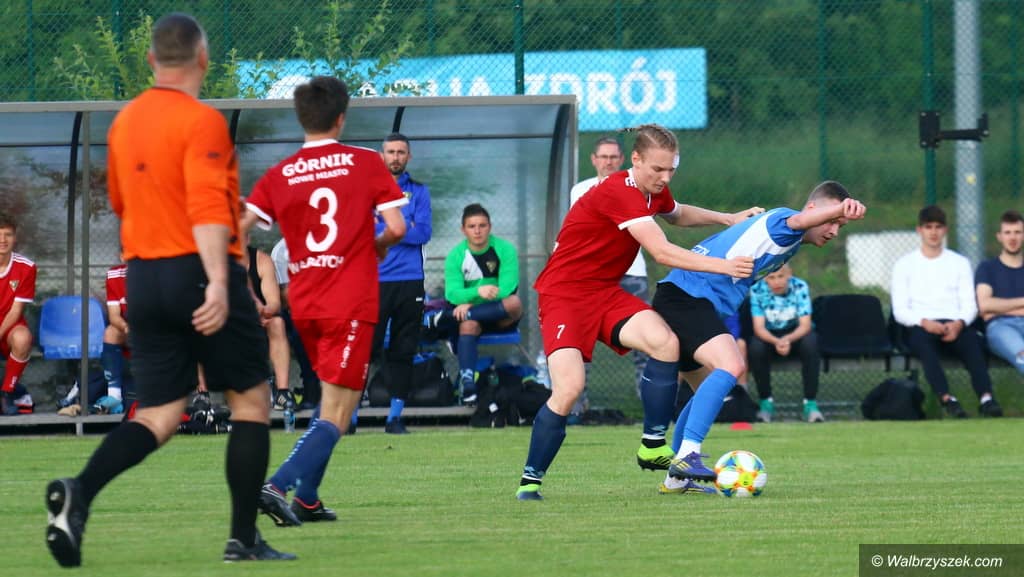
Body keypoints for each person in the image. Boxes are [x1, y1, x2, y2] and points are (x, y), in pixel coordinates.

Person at [44, 13, 294, 567]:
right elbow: (205, 208)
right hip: (198, 269)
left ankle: (80, 491)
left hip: (143, 275)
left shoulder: (125, 123)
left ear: (151, 60)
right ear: (203, 58)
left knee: (159, 413)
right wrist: (220, 282)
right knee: (251, 400)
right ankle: (243, 539)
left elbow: (120, 201)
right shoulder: (201, 121)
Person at [515, 123, 761, 501]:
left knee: (665, 342)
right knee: (569, 389)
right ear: (636, 160)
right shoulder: (620, 191)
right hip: (563, 294)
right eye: (657, 169)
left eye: (671, 170)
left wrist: (728, 218)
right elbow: (661, 252)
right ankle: (530, 483)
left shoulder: (652, 190)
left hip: (604, 292)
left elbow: (677, 213)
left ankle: (652, 444)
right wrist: (724, 266)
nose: (665, 178)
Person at [243, 75, 407, 528]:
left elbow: (237, 228)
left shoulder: (281, 173)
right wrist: (375, 246)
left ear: (301, 118)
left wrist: (241, 288)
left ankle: (308, 499)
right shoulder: (365, 162)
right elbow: (397, 227)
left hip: (305, 305)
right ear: (341, 118)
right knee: (340, 411)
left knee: (330, 399)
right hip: (349, 301)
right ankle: (277, 485)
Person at [657, 181, 865, 493]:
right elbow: (798, 220)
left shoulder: (786, 239)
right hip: (687, 298)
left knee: (705, 387)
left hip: (683, 297)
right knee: (732, 365)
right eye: (832, 221)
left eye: (840, 225)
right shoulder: (784, 222)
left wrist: (835, 212)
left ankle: (676, 479)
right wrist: (842, 208)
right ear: (813, 209)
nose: (834, 230)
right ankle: (687, 456)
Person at [891, 205, 1002, 418]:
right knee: (924, 347)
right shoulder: (904, 265)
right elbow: (900, 310)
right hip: (921, 325)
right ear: (919, 230)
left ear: (945, 230)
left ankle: (986, 399)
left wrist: (959, 323)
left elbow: (970, 305)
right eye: (928, 227)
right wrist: (925, 322)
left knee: (972, 343)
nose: (933, 232)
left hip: (955, 324)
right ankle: (947, 399)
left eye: (938, 227)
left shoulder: (960, 263)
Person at [570, 136, 649, 406]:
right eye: (603, 157)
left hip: (632, 273)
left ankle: (650, 404)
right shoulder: (580, 190)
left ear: (623, 160)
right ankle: (577, 406)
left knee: (647, 338)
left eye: (613, 157)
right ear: (594, 160)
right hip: (592, 276)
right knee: (581, 338)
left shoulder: (637, 188)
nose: (608, 162)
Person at [364, 132, 432, 435]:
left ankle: (395, 418)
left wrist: (386, 226)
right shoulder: (368, 190)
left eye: (401, 152)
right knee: (367, 348)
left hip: (410, 281)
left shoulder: (419, 191)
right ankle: (350, 417)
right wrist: (404, 226)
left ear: (409, 156)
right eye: (390, 152)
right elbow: (363, 230)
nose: (395, 157)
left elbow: (424, 233)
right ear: (382, 156)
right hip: (375, 280)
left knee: (403, 349)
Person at [426, 203, 522, 404]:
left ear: (490, 227)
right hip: (474, 317)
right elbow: (452, 294)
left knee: (514, 302)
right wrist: (478, 292)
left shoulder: (505, 249)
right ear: (463, 230)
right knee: (467, 324)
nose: (477, 231)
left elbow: (507, 289)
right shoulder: (456, 255)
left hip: (499, 315)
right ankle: (468, 383)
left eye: (482, 225)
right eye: (472, 226)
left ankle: (448, 318)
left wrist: (470, 304)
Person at [747, 264, 824, 423]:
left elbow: (805, 325)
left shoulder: (800, 286)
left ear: (789, 274)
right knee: (755, 347)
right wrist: (777, 341)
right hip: (770, 336)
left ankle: (810, 404)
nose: (777, 282)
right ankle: (766, 403)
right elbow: (759, 328)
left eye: (780, 276)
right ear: (765, 278)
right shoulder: (757, 290)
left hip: (796, 334)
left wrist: (787, 339)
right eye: (771, 277)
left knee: (811, 342)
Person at [242, 237, 295, 412]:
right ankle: (202, 394)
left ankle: (282, 392)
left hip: (257, 321)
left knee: (277, 323)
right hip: (226, 321)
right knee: (197, 327)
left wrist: (265, 311)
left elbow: (274, 303)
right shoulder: (214, 261)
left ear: (248, 239)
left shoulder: (262, 261)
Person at [271, 239, 321, 412]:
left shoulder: (330, 240)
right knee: (299, 325)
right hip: (302, 309)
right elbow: (287, 296)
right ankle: (311, 387)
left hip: (331, 306)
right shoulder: (281, 251)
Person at [975, 209, 1024, 376]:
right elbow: (984, 305)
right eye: (1007, 233)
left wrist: (998, 308)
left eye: (1017, 232)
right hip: (1001, 327)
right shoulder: (987, 268)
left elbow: (991, 308)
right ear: (999, 236)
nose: (1012, 238)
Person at [0, 212, 35, 415]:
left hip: (9, 326)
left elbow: (15, 311)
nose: (2, 240)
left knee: (23, 338)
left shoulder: (26, 267)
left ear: (15, 237)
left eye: (8, 234)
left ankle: (7, 393)